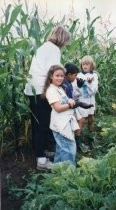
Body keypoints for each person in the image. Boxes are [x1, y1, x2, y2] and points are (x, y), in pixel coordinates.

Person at [24, 25, 71, 170]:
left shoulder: (43, 47)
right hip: (41, 90)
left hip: (31, 89)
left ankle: (39, 152)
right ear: (62, 38)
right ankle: (42, 162)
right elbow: (54, 73)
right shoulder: (54, 49)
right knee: (43, 125)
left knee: (37, 123)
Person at [43, 65, 79, 166]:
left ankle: (58, 171)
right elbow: (58, 108)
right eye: (57, 75)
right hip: (60, 125)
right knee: (69, 150)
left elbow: (66, 100)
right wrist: (70, 105)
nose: (60, 78)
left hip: (64, 122)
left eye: (62, 76)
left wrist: (70, 100)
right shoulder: (51, 90)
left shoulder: (59, 88)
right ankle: (69, 174)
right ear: (51, 76)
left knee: (61, 149)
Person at [72, 55, 99, 144]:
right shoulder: (78, 76)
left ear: (91, 65)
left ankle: (90, 136)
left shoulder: (94, 75)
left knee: (91, 118)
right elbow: (76, 90)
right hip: (83, 100)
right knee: (82, 120)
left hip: (91, 100)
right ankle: (77, 140)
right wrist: (80, 87)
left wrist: (89, 84)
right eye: (83, 64)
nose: (85, 66)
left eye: (87, 64)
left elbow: (93, 90)